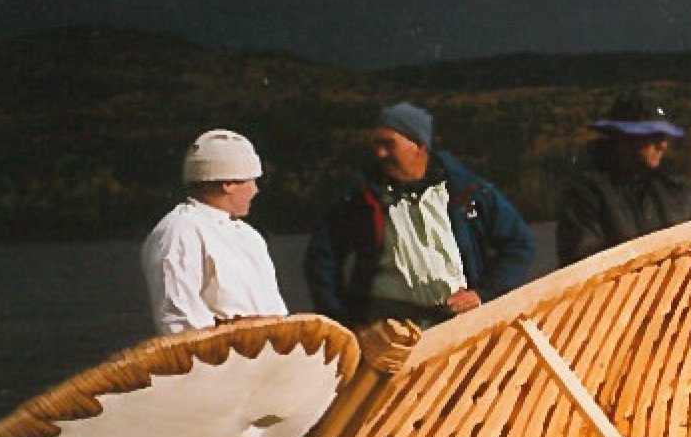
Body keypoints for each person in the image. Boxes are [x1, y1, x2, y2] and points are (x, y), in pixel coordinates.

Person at [305, 102, 536, 328]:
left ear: (419, 145)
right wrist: (341, 320)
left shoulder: (467, 190)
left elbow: (519, 243)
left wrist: (483, 293)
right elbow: (321, 258)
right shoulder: (360, 199)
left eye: (389, 144)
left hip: (461, 325)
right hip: (389, 336)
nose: (380, 153)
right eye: (376, 145)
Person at [140, 129, 287, 335]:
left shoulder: (250, 237)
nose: (256, 190)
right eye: (251, 180)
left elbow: (278, 316)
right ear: (228, 184)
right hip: (214, 364)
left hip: (265, 362)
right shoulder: (179, 232)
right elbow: (180, 324)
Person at [556, 90, 691, 266]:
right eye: (654, 136)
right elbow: (581, 261)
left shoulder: (679, 188)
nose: (662, 145)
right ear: (624, 138)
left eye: (664, 137)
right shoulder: (586, 193)